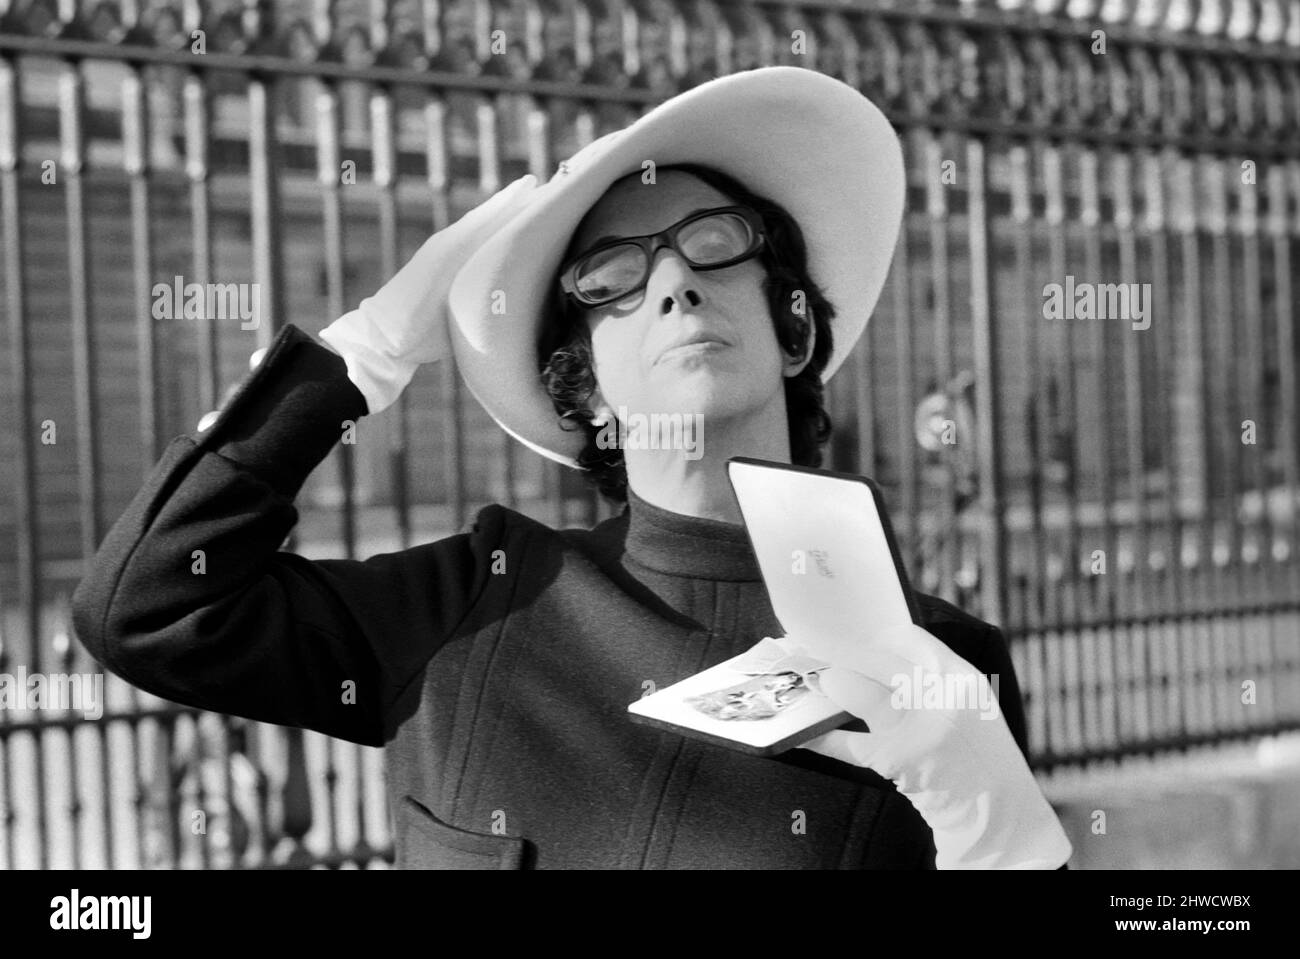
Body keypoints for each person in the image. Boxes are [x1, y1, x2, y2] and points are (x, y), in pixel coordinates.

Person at [71, 66, 1072, 869]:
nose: (674, 281)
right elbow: (145, 609)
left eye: (713, 244)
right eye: (612, 279)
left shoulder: (942, 660)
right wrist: (358, 355)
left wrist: (1009, 849)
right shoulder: (478, 598)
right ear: (581, 385)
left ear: (794, 328)